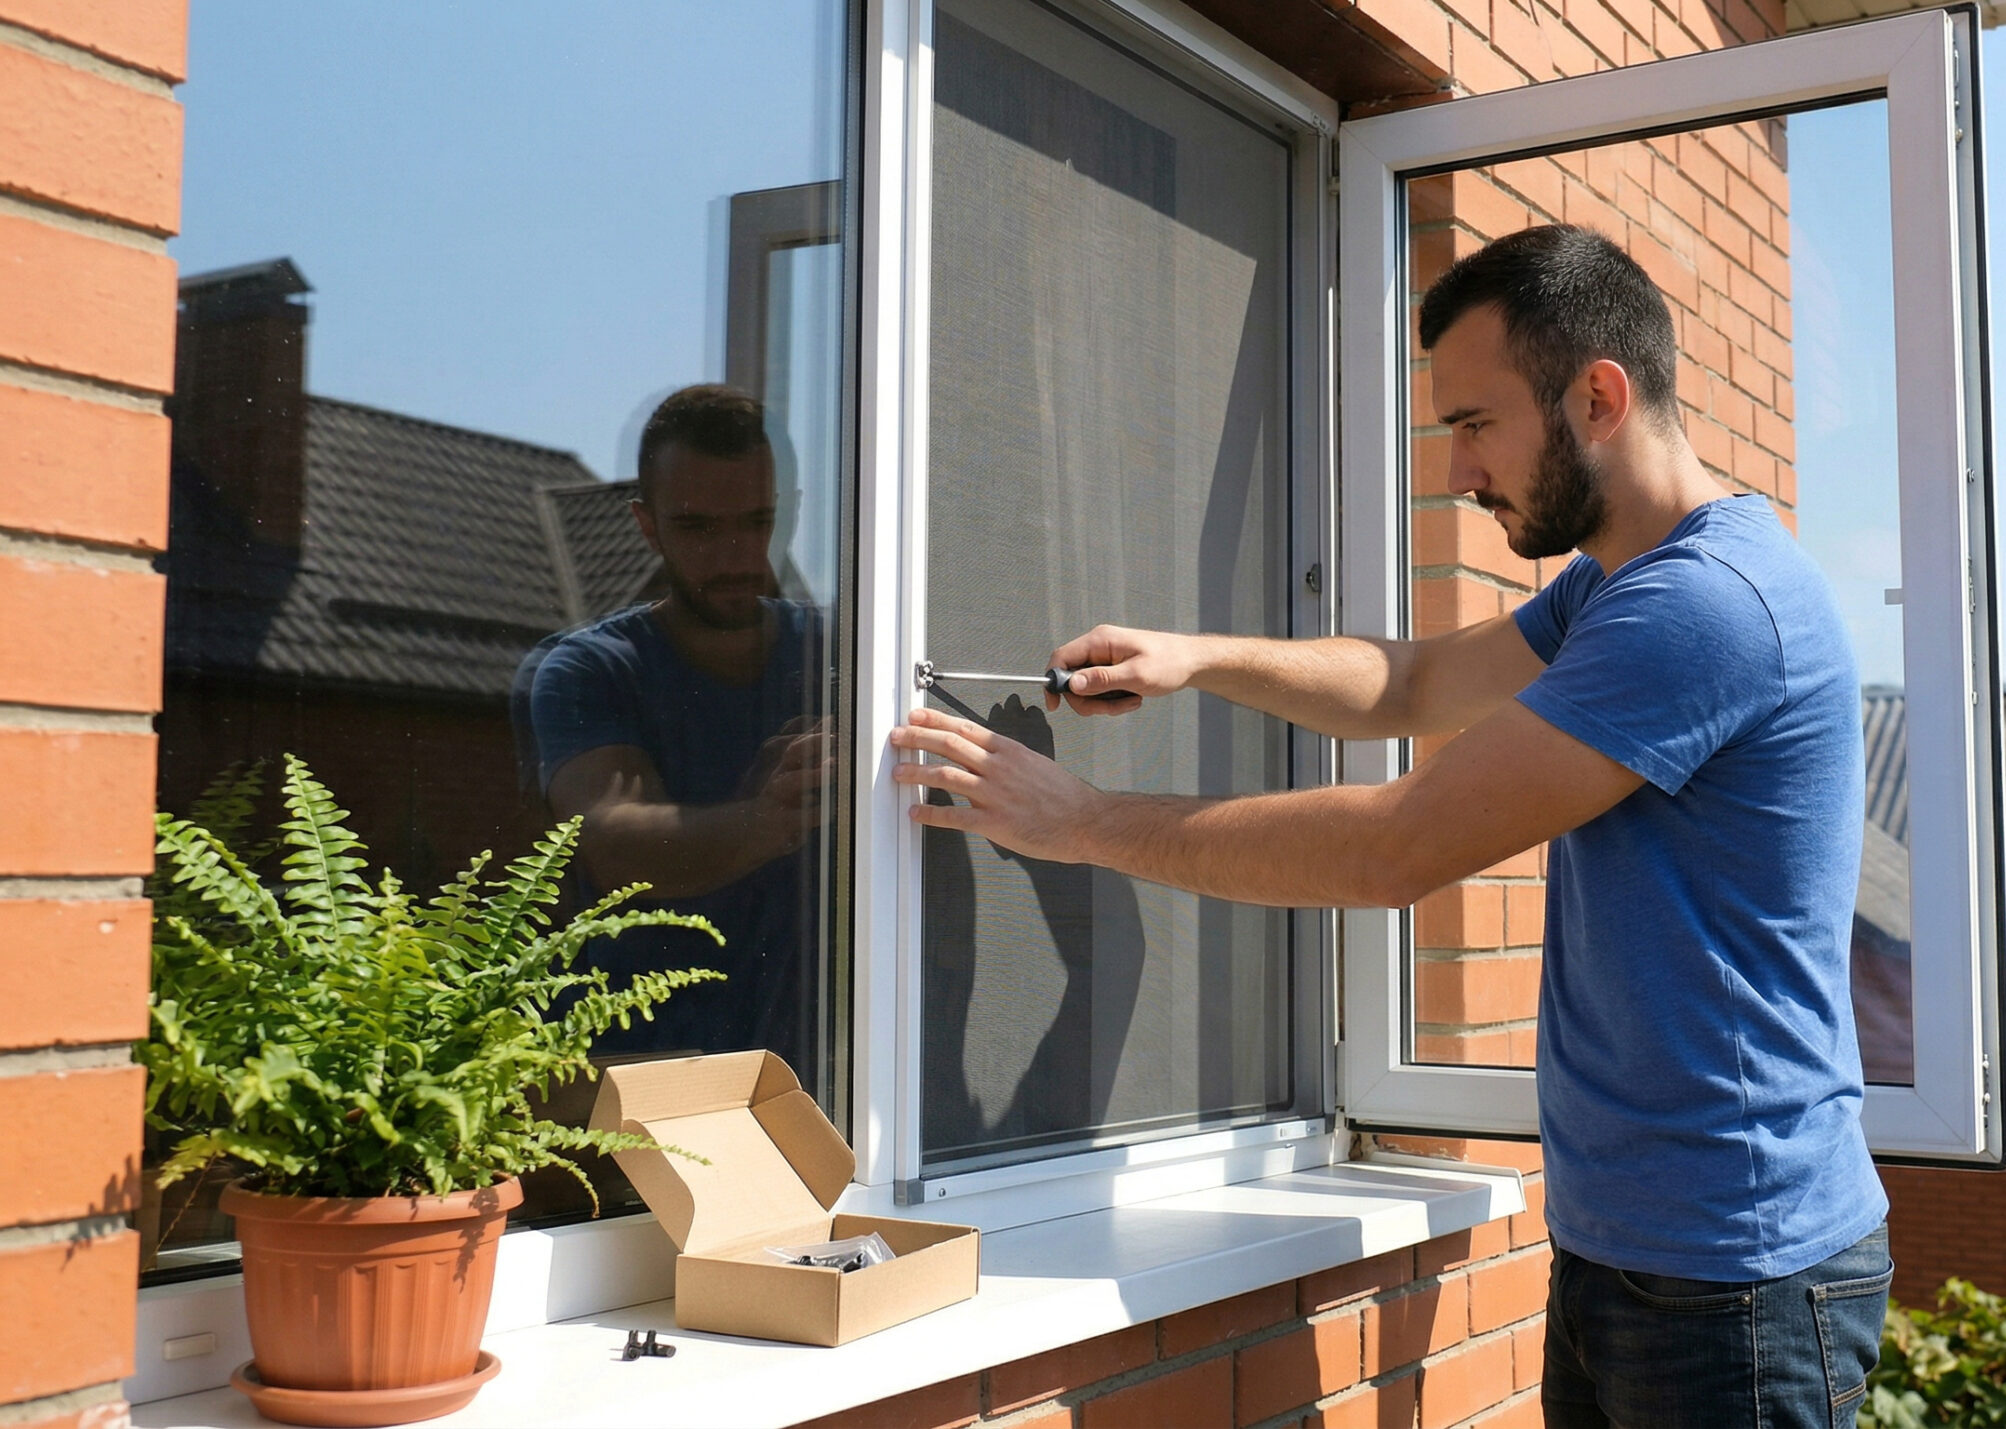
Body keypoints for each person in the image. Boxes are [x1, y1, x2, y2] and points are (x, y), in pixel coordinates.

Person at [890, 225, 1889, 1428]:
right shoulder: (1622, 583)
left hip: (1733, 1282)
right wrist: (1198, 657)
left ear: (1599, 395)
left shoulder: (1705, 610)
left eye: (1474, 423)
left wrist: (1087, 821)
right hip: (1643, 1250)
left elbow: (1394, 847)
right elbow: (1411, 686)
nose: (1457, 472)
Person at [524, 383, 832, 1079]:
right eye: (698, 527)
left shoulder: (850, 651)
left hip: (819, 1079)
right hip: (628, 1083)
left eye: (756, 522)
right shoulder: (589, 668)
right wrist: (766, 820)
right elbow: (610, 841)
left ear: (791, 515)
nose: (733, 554)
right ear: (647, 525)